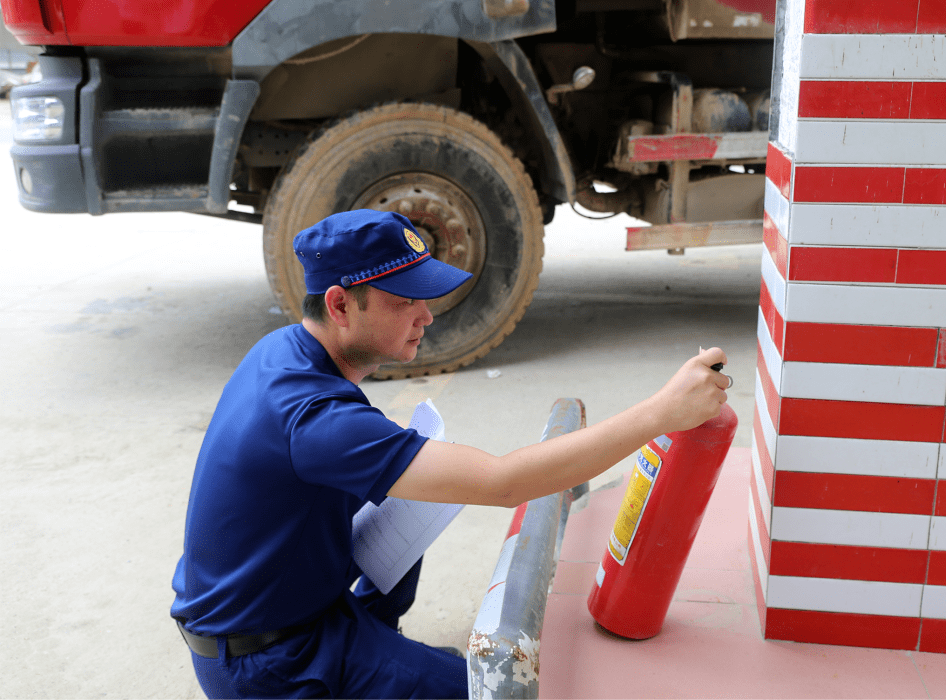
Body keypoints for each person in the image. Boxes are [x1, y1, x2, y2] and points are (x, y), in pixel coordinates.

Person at [171, 209, 730, 699]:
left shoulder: (287, 351)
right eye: (404, 300)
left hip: (290, 616)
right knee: (477, 691)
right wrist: (662, 413)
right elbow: (503, 483)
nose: (427, 315)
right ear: (341, 305)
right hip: (275, 663)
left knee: (438, 660)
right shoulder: (313, 417)